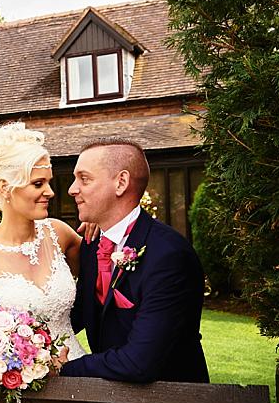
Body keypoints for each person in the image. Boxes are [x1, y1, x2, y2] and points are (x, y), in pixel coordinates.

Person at [60, 138, 209, 383]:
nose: (72, 189)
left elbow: (139, 362)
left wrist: (65, 368)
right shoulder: (91, 243)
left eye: (84, 179)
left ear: (121, 183)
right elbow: (78, 313)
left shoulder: (168, 255)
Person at [0, 123, 96, 359]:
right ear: (5, 187)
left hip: (79, 370)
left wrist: (100, 223)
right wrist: (11, 364)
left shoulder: (60, 234)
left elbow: (102, 274)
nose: (50, 192)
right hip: (21, 385)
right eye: (38, 184)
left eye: (48, 182)